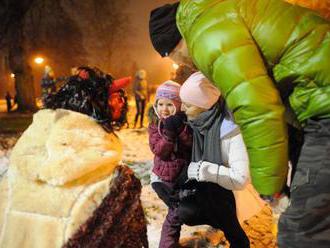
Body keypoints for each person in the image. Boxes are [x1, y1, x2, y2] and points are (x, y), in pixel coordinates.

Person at [149, 1, 330, 246]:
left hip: (323, 106)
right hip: (315, 103)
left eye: (175, 57)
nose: (186, 64)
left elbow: (257, 109)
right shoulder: (218, 15)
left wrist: (271, 189)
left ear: (176, 43)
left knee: (302, 230)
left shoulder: (208, 36)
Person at [177, 71, 250, 247]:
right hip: (211, 192)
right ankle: (220, 222)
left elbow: (241, 179)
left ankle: (238, 239)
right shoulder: (198, 124)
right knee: (185, 211)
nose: (182, 109)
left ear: (204, 106)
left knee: (224, 212)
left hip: (233, 194)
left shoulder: (231, 131)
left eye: (188, 105)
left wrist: (204, 170)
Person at [148, 80, 192, 248]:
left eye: (169, 104)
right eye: (160, 104)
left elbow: (190, 144)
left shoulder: (185, 123)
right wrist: (169, 134)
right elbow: (159, 150)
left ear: (179, 106)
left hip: (182, 177)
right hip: (163, 179)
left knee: (175, 214)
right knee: (174, 214)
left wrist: (180, 129)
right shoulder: (154, 125)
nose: (164, 109)